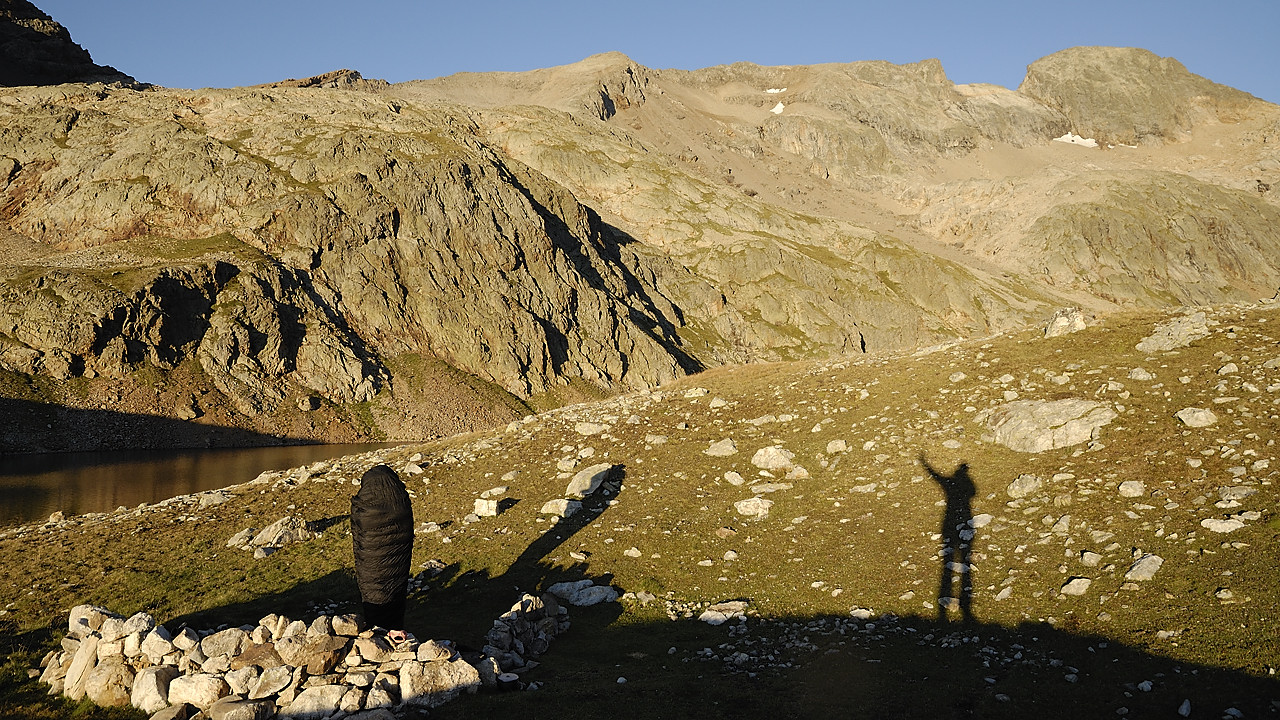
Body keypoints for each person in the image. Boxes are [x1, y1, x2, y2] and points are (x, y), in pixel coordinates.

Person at [351, 464, 414, 643]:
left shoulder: (365, 505)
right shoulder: (400, 501)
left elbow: (359, 531)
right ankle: (394, 630)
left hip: (371, 561)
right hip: (398, 554)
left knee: (375, 591)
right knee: (395, 587)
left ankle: (378, 633)